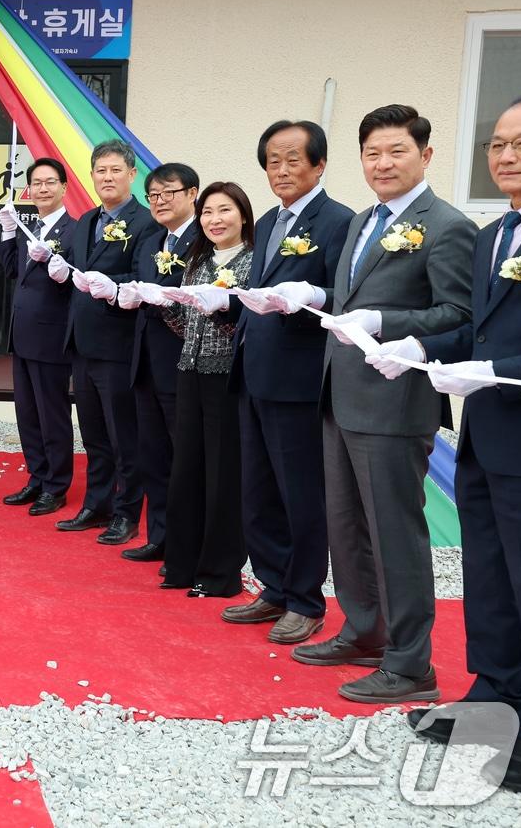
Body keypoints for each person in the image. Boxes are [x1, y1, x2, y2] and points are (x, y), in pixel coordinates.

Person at [379, 95, 521, 793]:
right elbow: (479, 329)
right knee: (492, 576)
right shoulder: (496, 233)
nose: (506, 155)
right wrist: (419, 346)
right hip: (486, 435)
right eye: (496, 144)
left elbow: (503, 351)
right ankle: (494, 695)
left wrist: (495, 370)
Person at [293, 105, 475, 702]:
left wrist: (386, 321)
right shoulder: (363, 220)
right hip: (340, 394)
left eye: (396, 151)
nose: (383, 163)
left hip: (395, 403)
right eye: (372, 153)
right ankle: (364, 629)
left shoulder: (446, 226)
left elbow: (459, 314)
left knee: (395, 534)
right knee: (346, 527)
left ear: (425, 155)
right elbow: (350, 297)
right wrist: (309, 293)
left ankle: (411, 663)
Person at [223, 120, 353, 645]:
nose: (281, 170)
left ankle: (305, 600)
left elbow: (344, 297)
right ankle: (273, 587)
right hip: (254, 371)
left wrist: (308, 296)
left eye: (292, 159)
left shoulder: (338, 221)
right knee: (258, 493)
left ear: (319, 164)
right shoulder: (271, 221)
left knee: (301, 496)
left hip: (298, 380)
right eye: (272, 161)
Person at [54, 140, 158, 544]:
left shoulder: (145, 222)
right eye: (101, 170)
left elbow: (144, 278)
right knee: (94, 433)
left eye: (116, 170)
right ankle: (97, 504)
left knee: (123, 435)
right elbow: (79, 274)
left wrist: (109, 283)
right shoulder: (86, 220)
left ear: (132, 174)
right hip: (82, 343)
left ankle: (127, 513)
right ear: (92, 175)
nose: (107, 177)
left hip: (118, 345)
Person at [157, 182, 254, 597]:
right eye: (208, 212)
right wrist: (164, 303)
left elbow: (247, 328)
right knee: (186, 469)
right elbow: (185, 326)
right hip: (189, 371)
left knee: (222, 473)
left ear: (243, 216)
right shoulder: (197, 261)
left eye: (225, 210)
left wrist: (220, 311)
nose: (215, 220)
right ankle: (181, 563)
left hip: (227, 377)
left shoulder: (253, 262)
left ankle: (218, 572)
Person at [116, 163, 201, 563]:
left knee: (186, 459)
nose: (160, 201)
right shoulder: (152, 239)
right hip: (146, 362)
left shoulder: (203, 240)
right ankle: (160, 537)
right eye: (154, 195)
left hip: (183, 363)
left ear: (192, 194)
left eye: (169, 192)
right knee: (154, 456)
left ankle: (187, 547)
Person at [0, 157, 81, 517]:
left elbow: (76, 281)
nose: (43, 189)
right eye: (37, 183)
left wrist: (58, 268)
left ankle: (56, 485)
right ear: (29, 190)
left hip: (52, 337)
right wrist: (7, 231)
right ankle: (37, 476)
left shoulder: (75, 231)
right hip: (23, 336)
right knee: (28, 413)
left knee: (52, 414)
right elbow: (12, 270)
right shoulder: (29, 228)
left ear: (63, 187)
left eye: (50, 182)